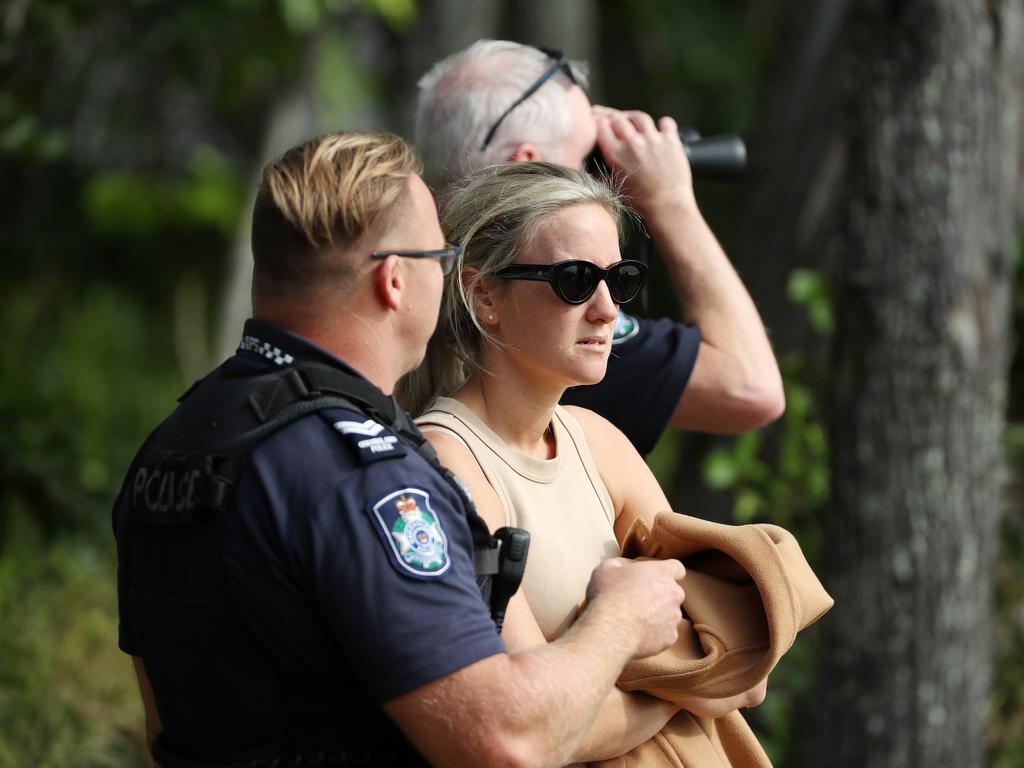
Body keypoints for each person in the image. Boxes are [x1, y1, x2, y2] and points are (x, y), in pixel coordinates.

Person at [111, 131, 690, 768]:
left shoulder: (171, 447)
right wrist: (621, 621)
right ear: (394, 280)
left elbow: (164, 724)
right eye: (440, 261)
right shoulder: (365, 479)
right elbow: (503, 743)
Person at [398, 161, 767, 764]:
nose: (606, 309)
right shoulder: (445, 464)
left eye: (618, 279)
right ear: (483, 295)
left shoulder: (599, 442)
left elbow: (746, 670)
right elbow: (532, 731)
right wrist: (687, 688)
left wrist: (605, 680)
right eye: (574, 280)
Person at [415, 40, 785, 455]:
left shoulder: (403, 275)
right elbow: (752, 388)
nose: (605, 308)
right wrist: (670, 201)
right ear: (527, 166)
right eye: (588, 157)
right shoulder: (548, 321)